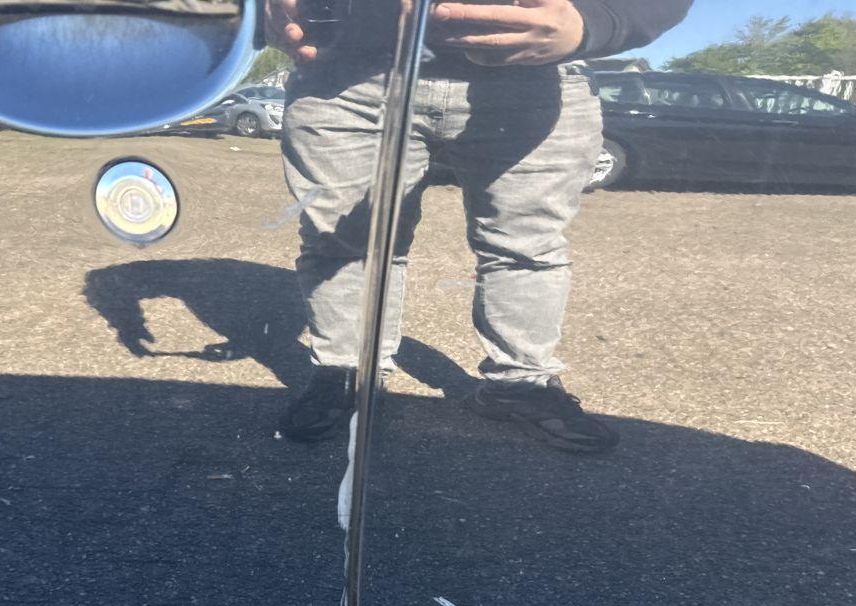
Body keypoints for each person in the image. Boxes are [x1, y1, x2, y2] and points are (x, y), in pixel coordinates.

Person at [269, 0, 692, 453]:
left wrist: (597, 22)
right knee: (343, 240)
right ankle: (349, 373)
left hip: (535, 72)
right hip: (347, 73)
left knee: (527, 247)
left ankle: (521, 382)